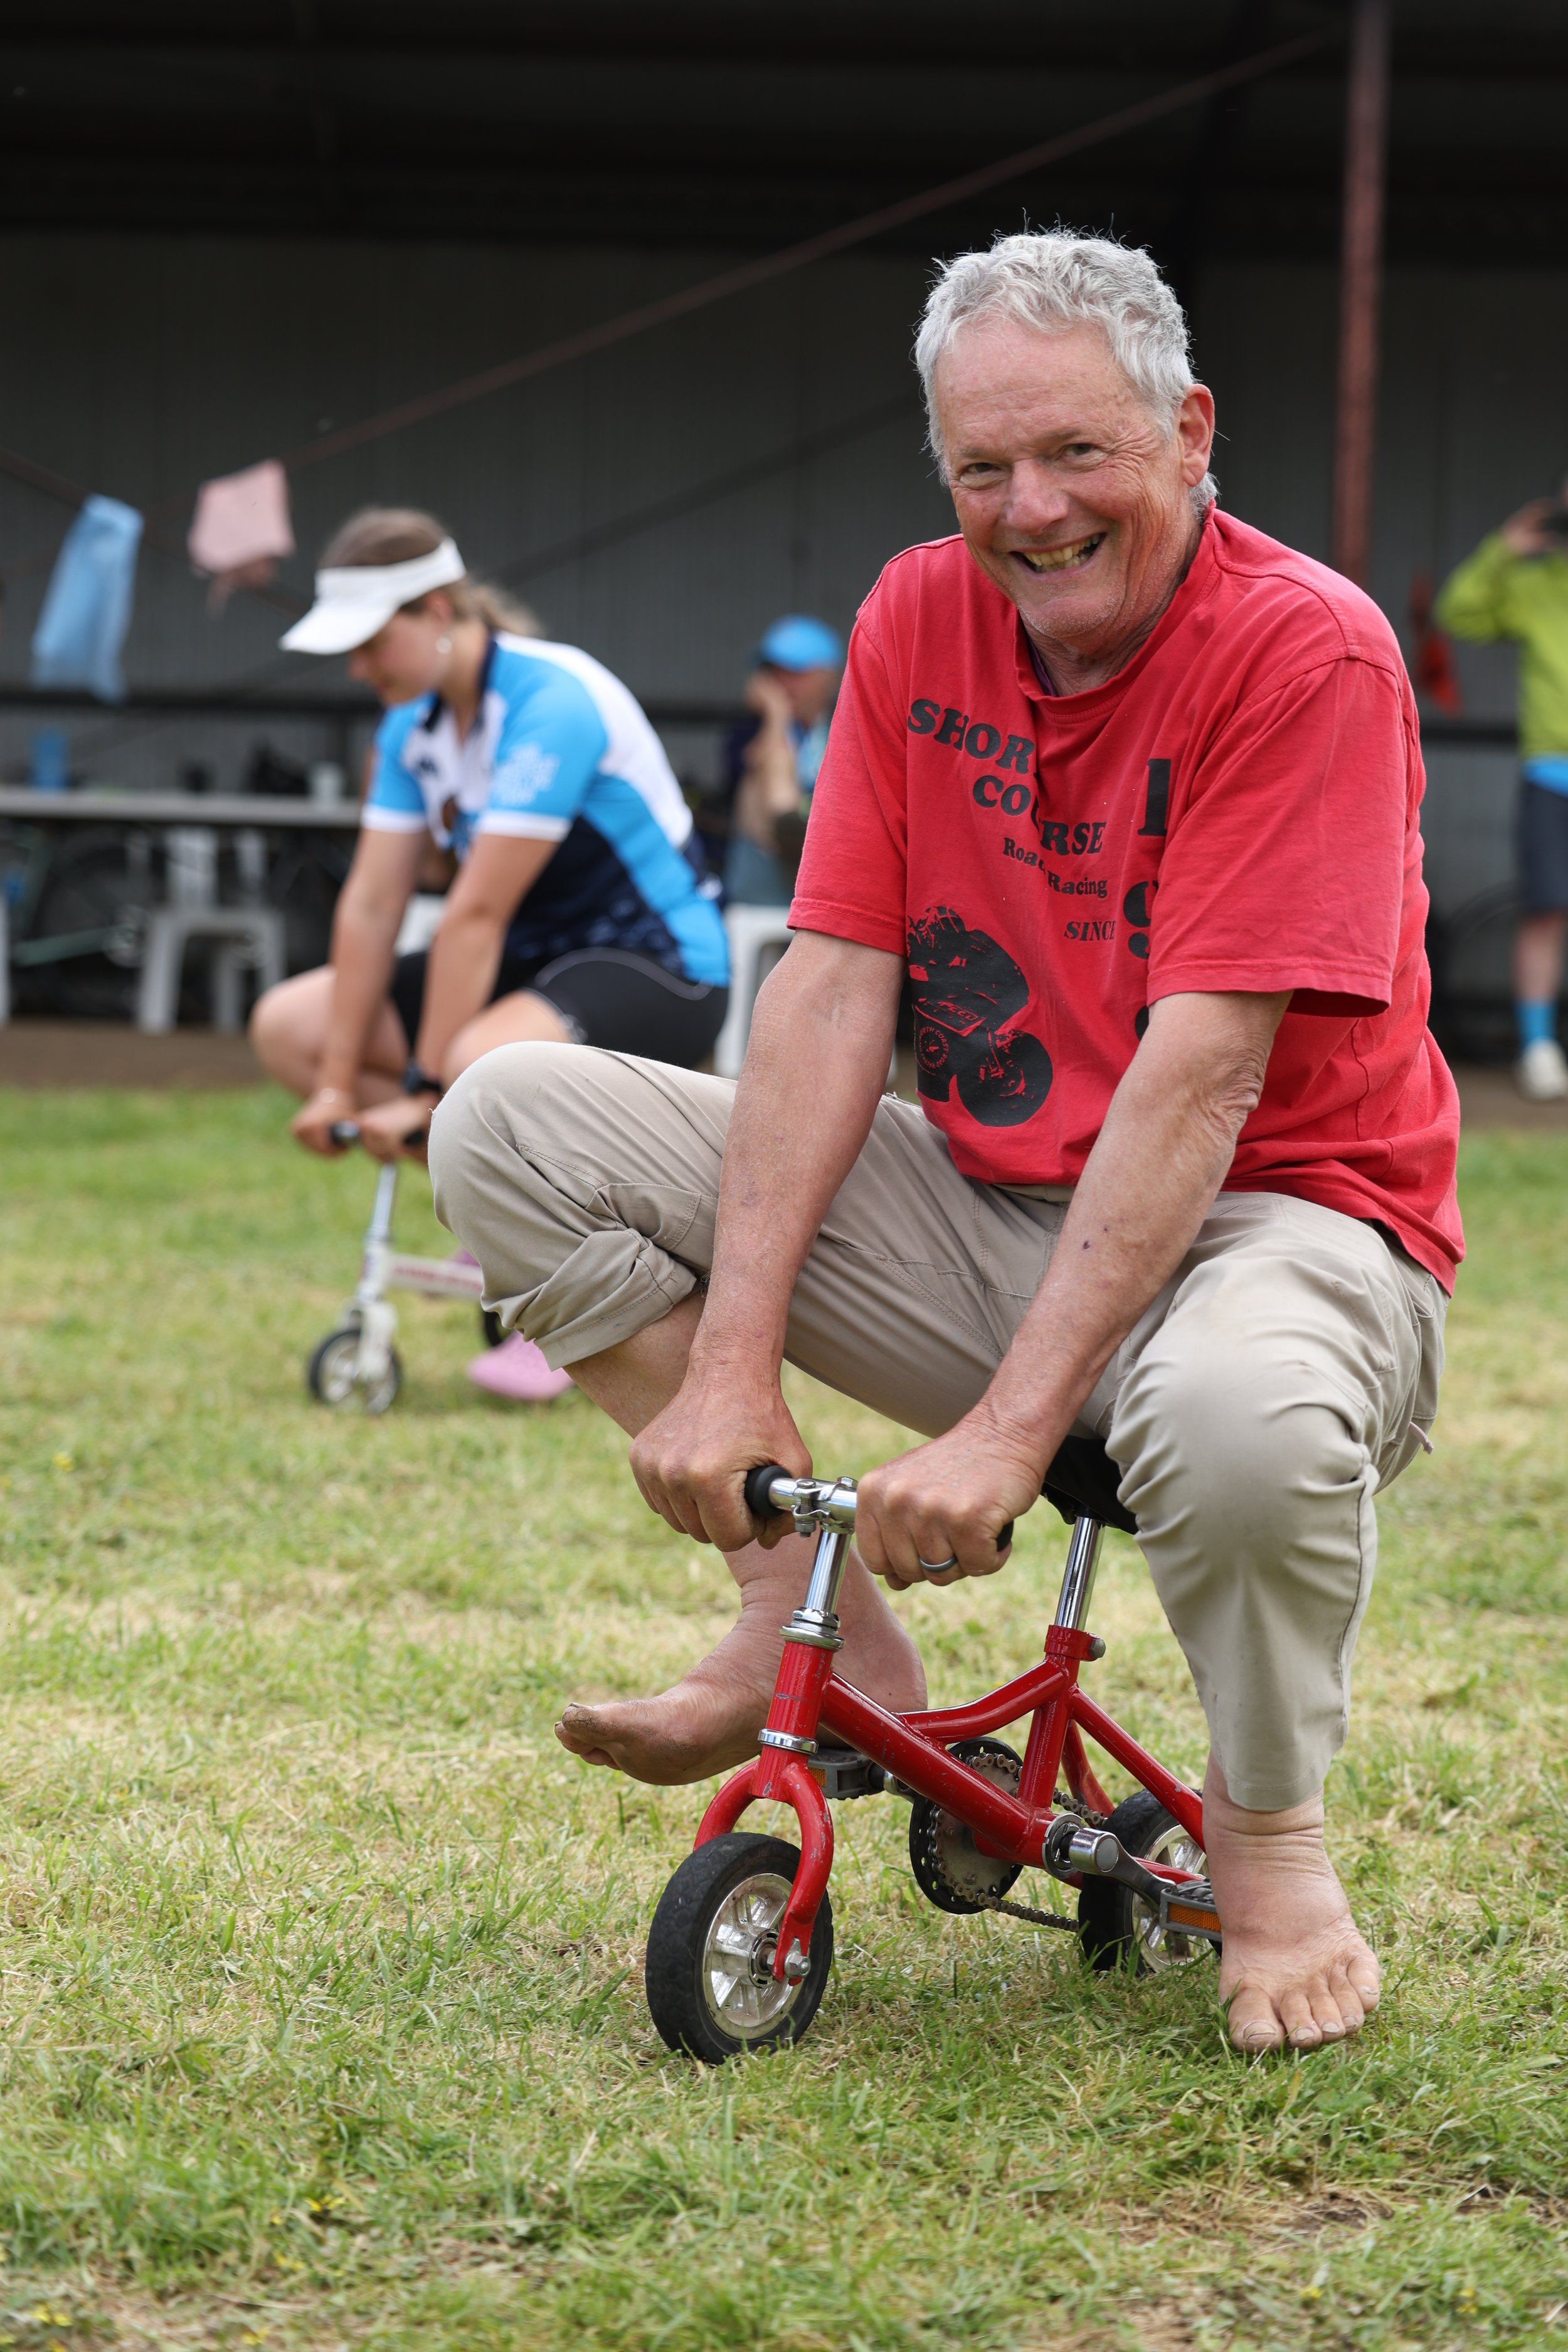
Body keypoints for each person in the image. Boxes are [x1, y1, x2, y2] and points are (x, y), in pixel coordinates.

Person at [428, 233, 1460, 2054]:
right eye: (983, 465)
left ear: (1190, 429)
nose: (1029, 508)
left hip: (1276, 1223)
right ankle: (813, 1634)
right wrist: (731, 1362)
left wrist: (1001, 1430)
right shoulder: (915, 614)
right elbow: (833, 985)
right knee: (508, 1118)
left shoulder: (1306, 648)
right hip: (1000, 1200)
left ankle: (1268, 1836)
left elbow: (1201, 1076)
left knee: (1237, 1418)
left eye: (1076, 453)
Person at [249, 507, 729, 1402]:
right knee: (290, 1025)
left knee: (481, 1066)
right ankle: (522, 1222)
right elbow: (372, 904)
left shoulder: (553, 700)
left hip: (661, 964)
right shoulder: (410, 726)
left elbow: (473, 915)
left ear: (437, 611)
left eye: (370, 643)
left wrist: (429, 1090)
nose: (357, 669)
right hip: (533, 965)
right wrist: (336, 1084)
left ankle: (576, 1270)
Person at [1436, 485, 1568, 1099]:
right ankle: (1538, 1047)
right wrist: (1503, 550)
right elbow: (1458, 613)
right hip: (1550, 772)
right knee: (1546, 909)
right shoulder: (1536, 582)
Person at [721, 615, 843, 905]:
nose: (783, 684)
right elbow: (780, 808)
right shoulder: (749, 730)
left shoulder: (849, 727)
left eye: (795, 672)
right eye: (773, 673)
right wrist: (776, 719)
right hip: (760, 891)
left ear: (827, 676)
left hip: (826, 887)